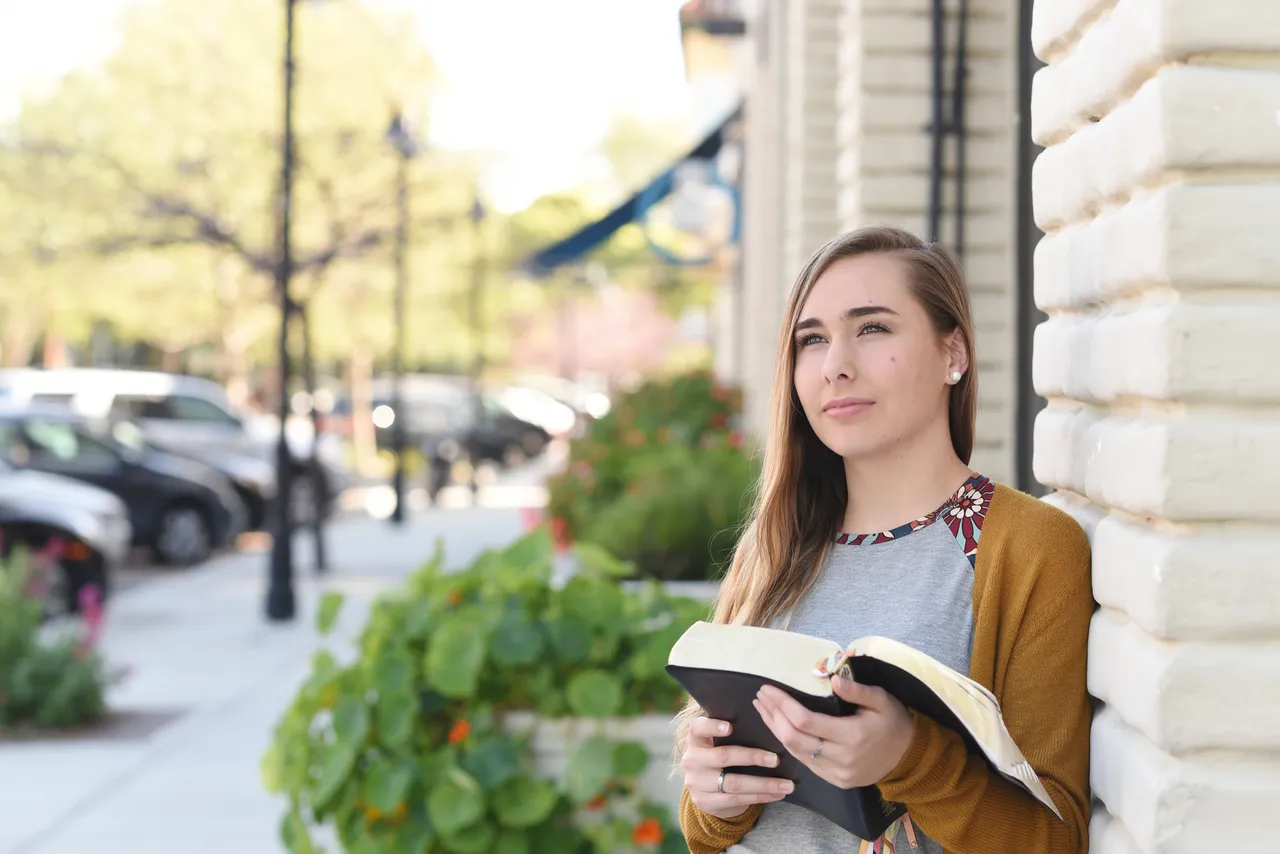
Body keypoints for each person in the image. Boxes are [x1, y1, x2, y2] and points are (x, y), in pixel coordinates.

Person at [674, 226, 1093, 854]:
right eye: (811, 340)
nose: (836, 365)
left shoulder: (1027, 547)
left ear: (954, 353)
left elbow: (1054, 841)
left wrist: (909, 756)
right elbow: (709, 831)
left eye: (871, 328)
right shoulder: (776, 546)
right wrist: (713, 798)